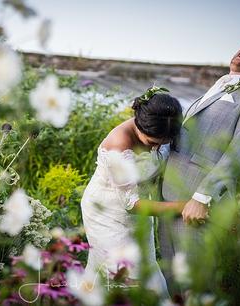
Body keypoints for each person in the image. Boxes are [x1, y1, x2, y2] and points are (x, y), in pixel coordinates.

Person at [159, 42, 240, 288]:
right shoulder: (215, 89)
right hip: (170, 200)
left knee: (194, 286)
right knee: (171, 283)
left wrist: (203, 197)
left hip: (197, 204)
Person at [80, 88, 185, 295]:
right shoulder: (119, 145)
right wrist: (184, 206)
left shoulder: (164, 126)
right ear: (139, 124)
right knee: (123, 272)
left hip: (141, 211)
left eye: (162, 144)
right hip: (107, 212)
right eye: (152, 143)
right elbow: (132, 204)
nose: (156, 148)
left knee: (145, 265)